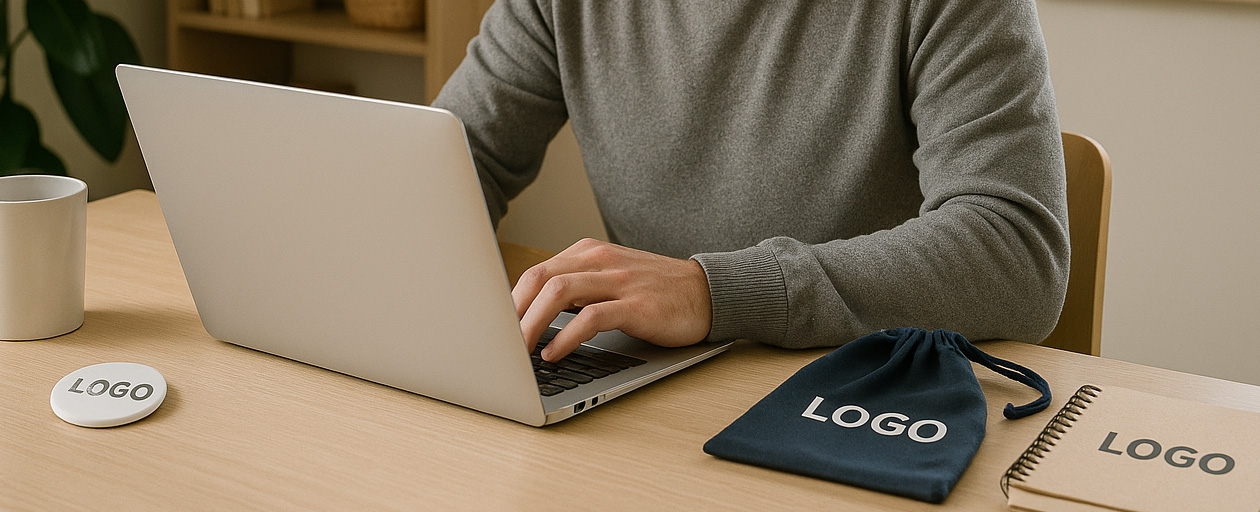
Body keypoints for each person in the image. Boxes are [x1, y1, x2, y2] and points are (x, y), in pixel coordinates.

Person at [432, 1, 1069, 363]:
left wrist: (713, 292)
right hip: (650, 393)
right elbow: (447, 164)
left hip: (859, 398)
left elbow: (1016, 252)